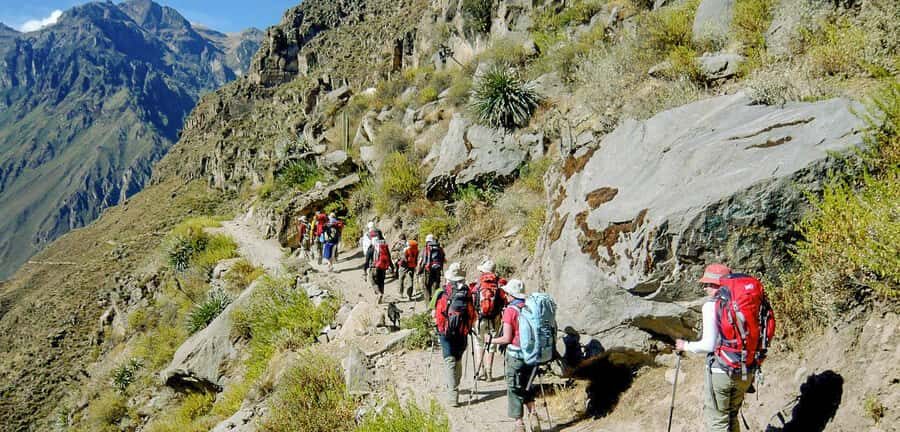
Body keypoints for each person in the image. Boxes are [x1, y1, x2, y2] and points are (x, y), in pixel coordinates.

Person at [675, 263, 750, 432]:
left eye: (708, 284)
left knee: (718, 422)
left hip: (721, 372)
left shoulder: (711, 306)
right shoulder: (743, 302)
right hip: (746, 370)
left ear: (716, 284)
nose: (705, 288)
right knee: (731, 416)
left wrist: (685, 346)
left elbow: (709, 345)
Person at [486, 279, 538, 432]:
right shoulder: (531, 307)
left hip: (516, 355)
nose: (505, 296)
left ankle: (519, 424)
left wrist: (491, 340)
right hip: (532, 354)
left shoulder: (510, 311)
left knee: (514, 388)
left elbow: (507, 338)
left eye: (507, 293)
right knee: (527, 386)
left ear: (510, 294)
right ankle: (534, 416)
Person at [433, 262, 476, 407]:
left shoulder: (441, 292)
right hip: (462, 332)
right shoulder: (467, 292)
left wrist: (438, 325)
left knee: (449, 361)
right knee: (457, 360)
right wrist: (468, 327)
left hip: (445, 332)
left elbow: (435, 312)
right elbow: (472, 313)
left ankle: (453, 394)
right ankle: (455, 385)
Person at [472, 259, 507, 382]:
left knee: (479, 343)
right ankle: (489, 373)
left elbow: (472, 300)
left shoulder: (477, 284)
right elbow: (504, 301)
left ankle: (479, 371)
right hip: (495, 318)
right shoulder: (499, 284)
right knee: (491, 345)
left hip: (479, 318)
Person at [418, 234, 444, 308]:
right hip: (437, 270)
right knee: (436, 287)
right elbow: (443, 260)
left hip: (427, 271)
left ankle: (429, 305)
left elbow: (420, 262)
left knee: (426, 287)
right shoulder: (440, 248)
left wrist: (419, 271)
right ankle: (435, 305)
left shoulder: (425, 249)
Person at [371, 231, 392, 304]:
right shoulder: (384, 244)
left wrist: (366, 267)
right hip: (383, 266)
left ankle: (378, 293)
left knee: (373, 280)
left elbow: (369, 256)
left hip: (375, 266)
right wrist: (391, 266)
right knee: (381, 281)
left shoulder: (374, 244)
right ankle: (381, 296)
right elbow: (389, 256)